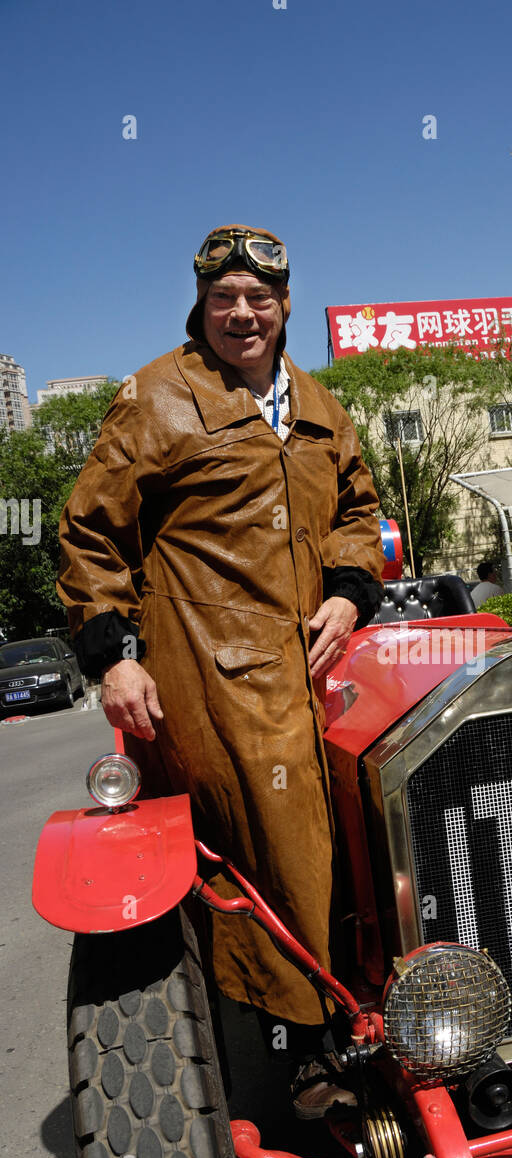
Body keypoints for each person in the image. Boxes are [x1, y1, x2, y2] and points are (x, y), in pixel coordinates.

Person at [57, 224, 385, 1038]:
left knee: (389, 803)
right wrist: (116, 658)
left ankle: (423, 986)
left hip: (322, 660)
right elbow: (90, 531)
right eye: (222, 299)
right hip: (214, 671)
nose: (242, 313)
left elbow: (358, 508)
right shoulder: (155, 395)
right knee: (281, 838)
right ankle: (311, 1031)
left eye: (259, 298)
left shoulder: (317, 404)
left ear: (283, 305)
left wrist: (348, 592)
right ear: (199, 306)